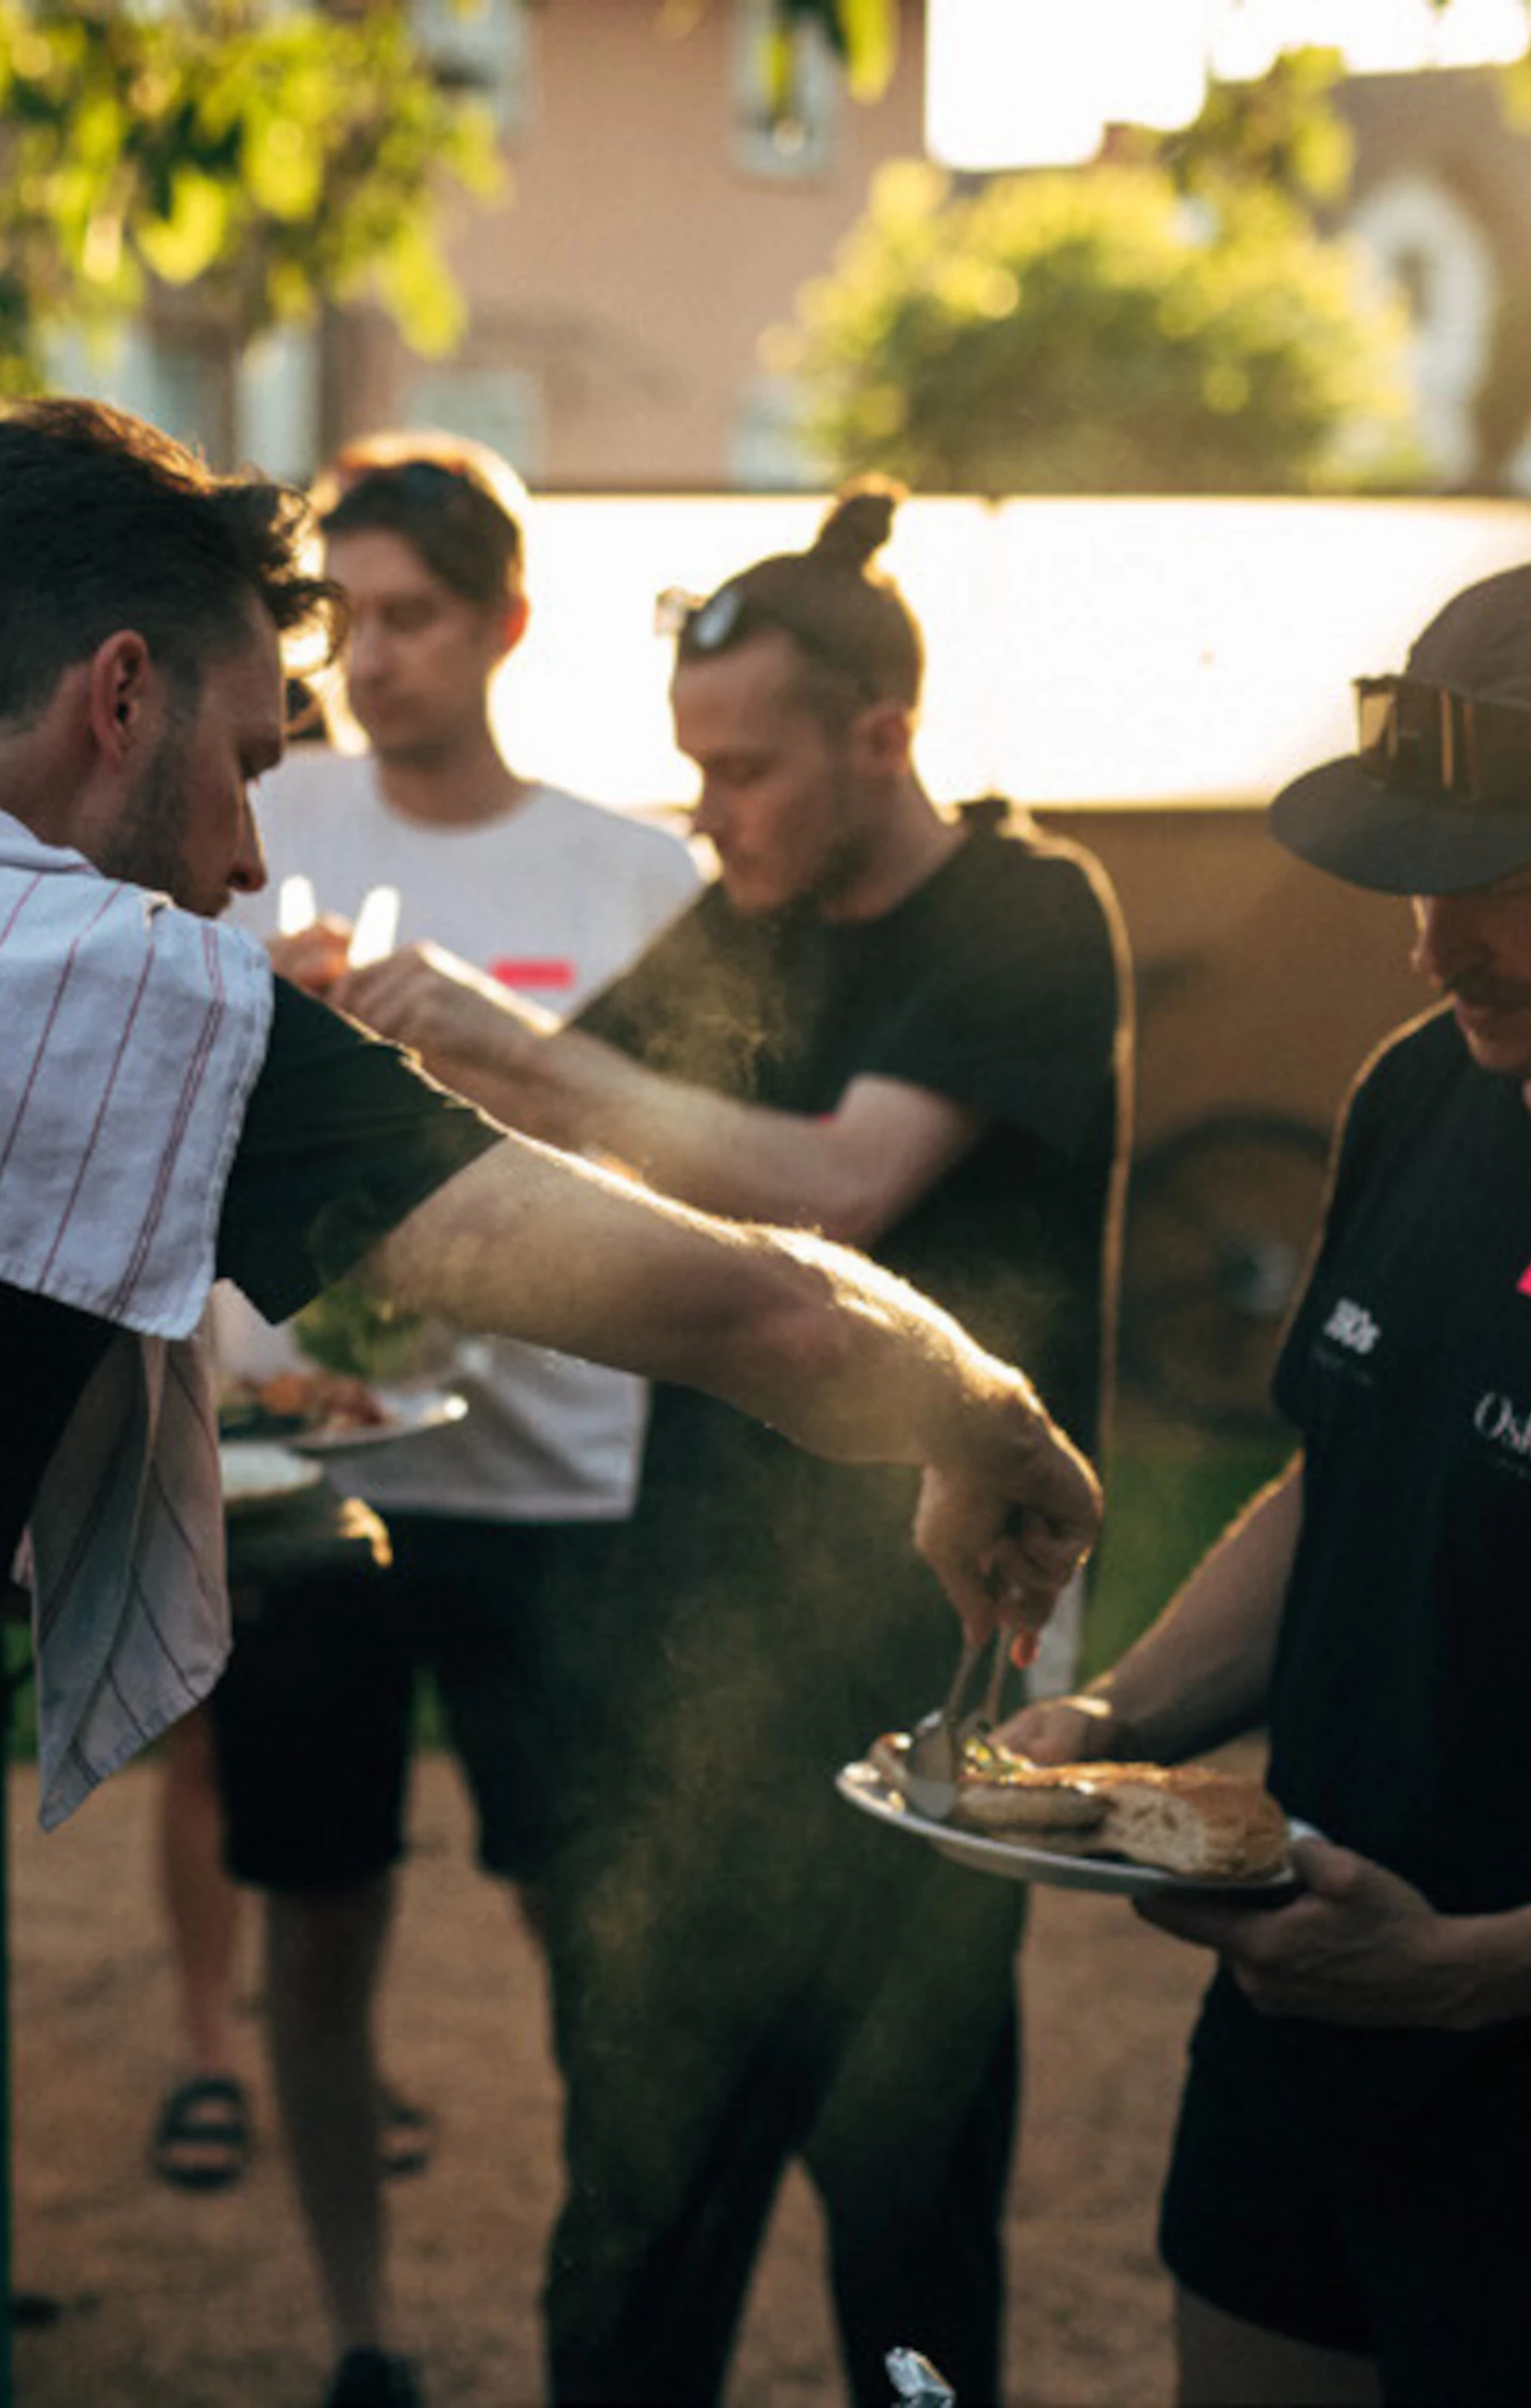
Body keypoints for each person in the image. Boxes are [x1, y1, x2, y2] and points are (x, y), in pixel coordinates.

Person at [0, 400, 1101, 2400]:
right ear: (120, 695)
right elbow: (746, 1310)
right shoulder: (101, 984)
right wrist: (981, 1410)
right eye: (247, 769)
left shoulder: (990, 912)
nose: (247, 854)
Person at [1005, 554, 1531, 2408]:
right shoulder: (1424, 1087)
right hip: (1298, 2026)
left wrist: (1473, 1967)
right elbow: (1343, 1481)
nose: (1435, 942)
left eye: (1506, 880)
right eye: (1420, 875)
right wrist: (1104, 1723)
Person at [306, 479, 1130, 2404]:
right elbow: (542, 1138)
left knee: (910, 2194)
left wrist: (519, 1044)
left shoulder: (1022, 913)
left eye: (744, 772)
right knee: (639, 2189)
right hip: (686, 1640)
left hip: (933, 1644)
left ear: (882, 739)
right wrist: (367, 1061)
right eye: (692, 769)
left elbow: (840, 1184)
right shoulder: (748, 908)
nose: (711, 813)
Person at [194, 433, 702, 2392]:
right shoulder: (254, 815)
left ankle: (618, 2315)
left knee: (590, 1919)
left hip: (562, 1476)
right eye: (345, 618)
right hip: (307, 1468)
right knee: (321, 1915)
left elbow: (692, 1163)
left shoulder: (632, 869)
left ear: (505, 623)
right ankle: (364, 2332)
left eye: (413, 616)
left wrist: (508, 1052)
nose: (374, 655)